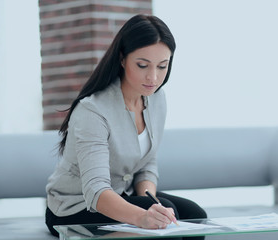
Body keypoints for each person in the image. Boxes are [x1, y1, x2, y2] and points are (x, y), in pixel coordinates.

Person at [45, 14, 207, 238]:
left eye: (162, 66)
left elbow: (147, 162)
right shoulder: (93, 110)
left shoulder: (157, 99)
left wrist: (153, 203)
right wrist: (143, 216)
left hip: (122, 195)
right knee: (173, 216)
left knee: (195, 215)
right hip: (76, 208)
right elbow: (96, 192)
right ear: (122, 58)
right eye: (142, 65)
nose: (153, 77)